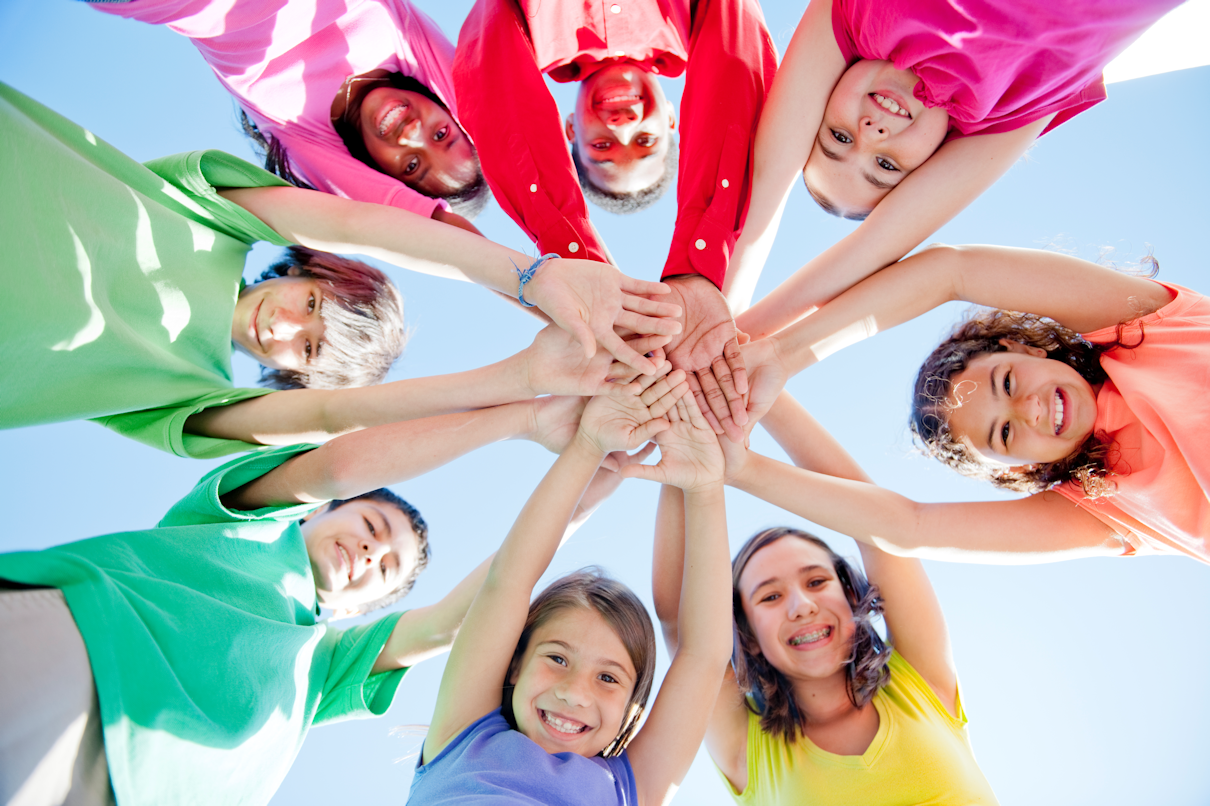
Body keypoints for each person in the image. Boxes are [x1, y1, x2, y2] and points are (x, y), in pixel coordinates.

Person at [0, 376, 648, 806]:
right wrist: (527, 418)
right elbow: (338, 465)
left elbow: (464, 615)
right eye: (370, 525)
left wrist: (598, 478)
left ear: (362, 609)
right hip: (81, 650)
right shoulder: (243, 520)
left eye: (385, 569)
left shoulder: (324, 667)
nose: (371, 551)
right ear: (319, 513)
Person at [1, 83, 680, 457]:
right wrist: (530, 277)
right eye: (316, 305)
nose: (291, 323)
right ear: (305, 273)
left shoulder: (192, 400)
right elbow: (361, 225)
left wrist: (524, 387)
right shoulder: (217, 216)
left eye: (312, 345)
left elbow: (336, 413)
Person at [720, 0, 1181, 352]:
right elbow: (877, 245)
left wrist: (721, 327)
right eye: (885, 165)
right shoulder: (1010, 106)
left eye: (837, 137)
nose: (871, 134)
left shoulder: (856, 18)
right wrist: (745, 347)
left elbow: (766, 180)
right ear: (933, 167)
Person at [720, 242, 1206, 562]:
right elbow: (909, 526)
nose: (1031, 410)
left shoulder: (1148, 329)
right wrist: (738, 467)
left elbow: (952, 271)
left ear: (1024, 348)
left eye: (1009, 383)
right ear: (1020, 469)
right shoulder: (1106, 509)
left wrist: (782, 355)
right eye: (1006, 433)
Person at [408, 365, 735, 805]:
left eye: (608, 677)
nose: (574, 692)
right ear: (515, 666)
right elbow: (509, 579)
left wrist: (707, 489)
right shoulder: (464, 740)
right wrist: (588, 444)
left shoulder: (627, 788)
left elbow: (704, 657)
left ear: (629, 710)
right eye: (558, 658)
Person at [652, 393, 999, 804]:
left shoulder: (919, 683)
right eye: (770, 596)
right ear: (745, 634)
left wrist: (755, 387)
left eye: (816, 582)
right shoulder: (749, 751)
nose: (801, 605)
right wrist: (686, 449)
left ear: (850, 594)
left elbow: (875, 520)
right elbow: (679, 616)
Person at [454, 0, 778, 423]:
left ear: (570, 131)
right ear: (672, 120)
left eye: (601, 147)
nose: (623, 124)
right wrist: (699, 263)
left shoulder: (523, 26)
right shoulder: (701, 15)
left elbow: (492, 75)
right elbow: (736, 54)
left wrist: (578, 261)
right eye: (645, 141)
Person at [88, 0, 489, 230]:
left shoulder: (303, 137)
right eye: (442, 135)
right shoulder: (408, 40)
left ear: (384, 175)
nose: (411, 135)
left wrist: (534, 290)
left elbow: (429, 227)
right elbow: (494, 112)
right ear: (448, 106)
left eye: (412, 165)